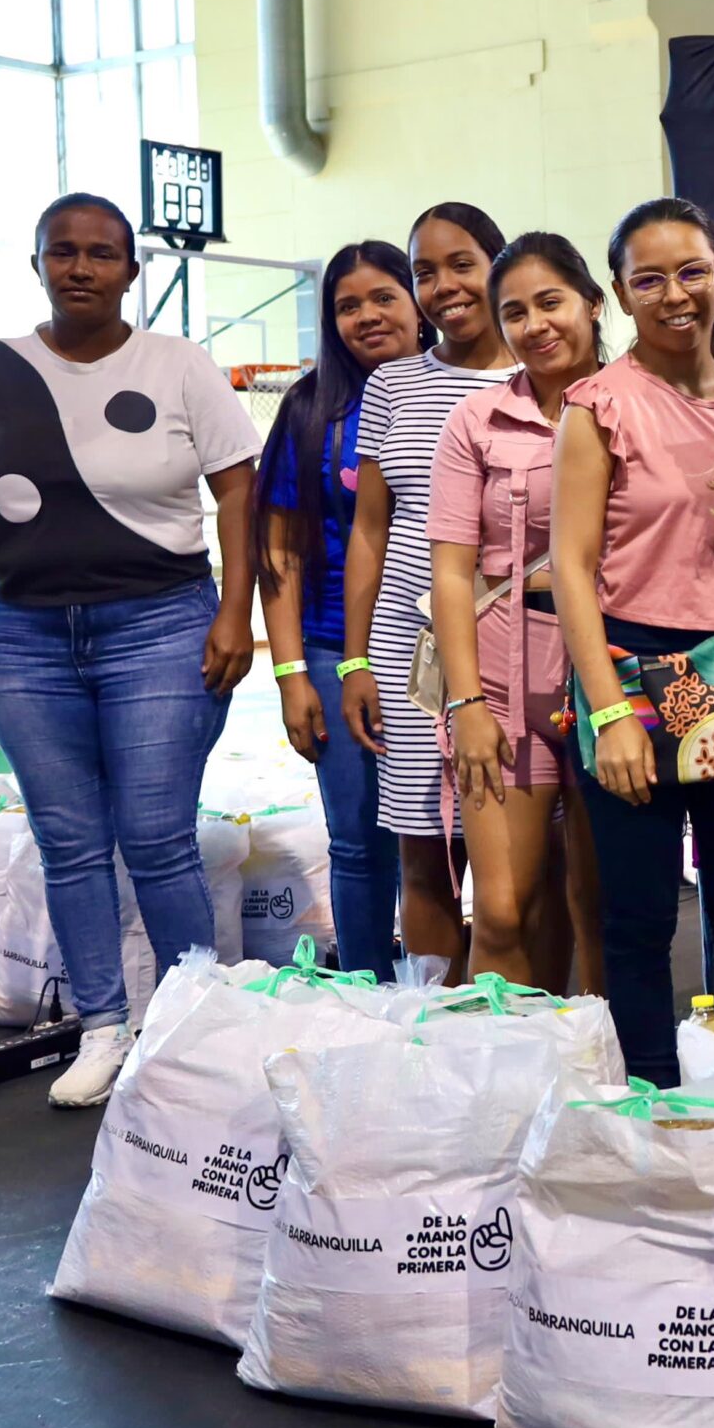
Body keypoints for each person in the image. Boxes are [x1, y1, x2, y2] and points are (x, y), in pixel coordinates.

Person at [0, 191, 261, 1106]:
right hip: (22, 639)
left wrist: (234, 610)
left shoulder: (180, 366)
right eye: (62, 251)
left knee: (155, 837)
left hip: (160, 626)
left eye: (102, 253)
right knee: (68, 843)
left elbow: (237, 494)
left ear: (131, 271)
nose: (81, 266)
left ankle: (192, 1026)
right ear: (37, 265)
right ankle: (104, 1026)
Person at [552, 198, 714, 1082]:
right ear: (618, 293)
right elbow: (570, 569)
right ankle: (651, 1093)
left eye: (693, 270)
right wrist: (611, 710)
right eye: (648, 279)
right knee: (640, 913)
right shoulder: (599, 407)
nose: (675, 294)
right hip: (632, 665)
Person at [425, 231, 604, 989]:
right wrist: (464, 700)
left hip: (611, 673)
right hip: (498, 670)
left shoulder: (636, 403)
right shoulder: (476, 421)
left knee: (600, 904)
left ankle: (602, 1083)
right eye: (516, 312)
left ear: (593, 304)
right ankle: (498, 1091)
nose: (536, 325)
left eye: (551, 302)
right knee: (498, 908)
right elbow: (452, 570)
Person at [341, 203, 515, 980]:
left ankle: (529, 1027)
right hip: (409, 658)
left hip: (521, 651)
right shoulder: (392, 384)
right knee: (425, 851)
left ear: (498, 263)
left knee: (523, 862)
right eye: (424, 271)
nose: (443, 285)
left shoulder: (546, 373)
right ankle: (435, 1030)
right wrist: (354, 661)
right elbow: (370, 531)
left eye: (461, 264)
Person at [252, 241, 423, 981]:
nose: (367, 315)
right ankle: (366, 990)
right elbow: (280, 552)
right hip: (330, 647)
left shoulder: (462, 391)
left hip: (439, 645)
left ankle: (446, 986)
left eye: (384, 295)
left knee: (437, 836)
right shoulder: (308, 408)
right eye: (347, 305)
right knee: (356, 837)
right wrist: (293, 673)